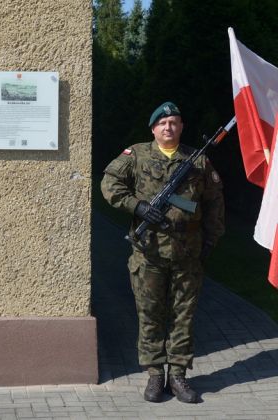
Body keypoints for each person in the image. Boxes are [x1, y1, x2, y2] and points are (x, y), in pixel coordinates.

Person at [101, 102, 225, 404]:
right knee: (151, 316)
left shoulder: (197, 161)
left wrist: (211, 240)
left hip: (188, 254)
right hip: (149, 253)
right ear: (153, 128)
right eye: (163, 123)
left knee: (184, 316)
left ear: (181, 127)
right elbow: (110, 184)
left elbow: (214, 203)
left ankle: (179, 376)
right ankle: (156, 375)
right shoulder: (137, 154)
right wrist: (138, 206)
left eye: (174, 122)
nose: (168, 127)